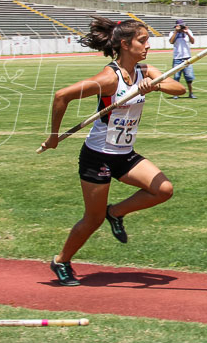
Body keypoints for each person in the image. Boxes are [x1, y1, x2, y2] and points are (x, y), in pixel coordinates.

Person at [41, 17, 185, 286]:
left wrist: (155, 85)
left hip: (124, 154)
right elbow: (62, 95)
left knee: (163, 189)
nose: (147, 45)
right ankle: (61, 260)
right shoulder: (109, 78)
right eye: (142, 40)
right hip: (99, 155)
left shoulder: (145, 70)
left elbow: (179, 88)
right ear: (124, 44)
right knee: (92, 219)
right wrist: (53, 138)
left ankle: (116, 212)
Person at [168, 19, 196, 99]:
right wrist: (176, 32)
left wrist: (187, 33)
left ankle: (191, 93)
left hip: (187, 57)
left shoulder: (188, 32)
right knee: (176, 77)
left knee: (189, 77)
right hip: (177, 58)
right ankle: (175, 93)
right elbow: (171, 41)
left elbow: (193, 41)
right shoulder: (172, 33)